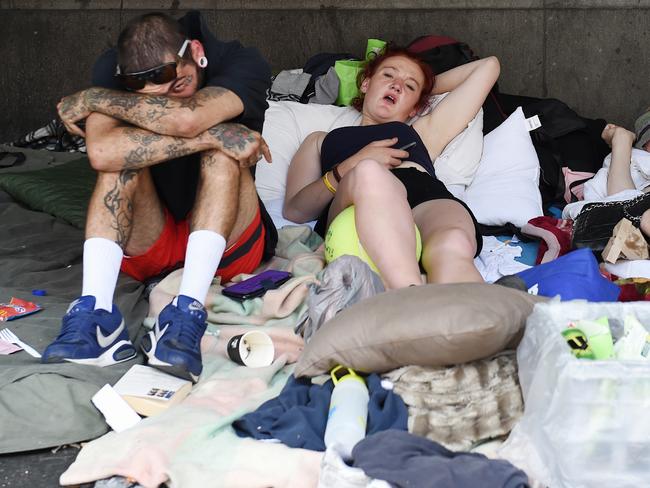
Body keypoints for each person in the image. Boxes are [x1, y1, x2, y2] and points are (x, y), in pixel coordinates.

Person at [41, 11, 277, 382]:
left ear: (195, 52)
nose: (168, 98)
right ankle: (96, 318)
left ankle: (187, 313)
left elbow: (186, 120)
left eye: (178, 84)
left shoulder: (241, 62)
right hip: (154, 235)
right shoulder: (115, 66)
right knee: (122, 162)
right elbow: (102, 152)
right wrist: (215, 133)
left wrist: (95, 98)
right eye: (154, 97)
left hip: (227, 238)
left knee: (222, 155)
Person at [283, 46, 500, 289]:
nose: (397, 85)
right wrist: (349, 167)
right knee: (369, 173)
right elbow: (295, 211)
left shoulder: (423, 131)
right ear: (365, 83)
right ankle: (409, 293)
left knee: (454, 242)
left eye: (409, 86)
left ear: (416, 107)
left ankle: (482, 320)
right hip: (354, 201)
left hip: (424, 197)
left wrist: (423, 91)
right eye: (388, 75)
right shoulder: (320, 140)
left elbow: (488, 66)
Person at [566, 108, 650, 249]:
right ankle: (621, 139)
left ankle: (621, 139)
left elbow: (624, 204)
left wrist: (621, 142)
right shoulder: (638, 161)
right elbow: (623, 207)